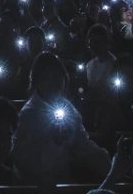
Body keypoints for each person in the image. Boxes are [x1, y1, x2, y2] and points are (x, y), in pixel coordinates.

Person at [14, 53, 110, 189]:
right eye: (47, 78)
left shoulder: (68, 109)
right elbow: (23, 160)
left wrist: (107, 164)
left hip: (64, 183)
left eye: (57, 77)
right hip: (36, 187)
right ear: (37, 82)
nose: (54, 82)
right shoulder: (28, 114)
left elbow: (83, 144)